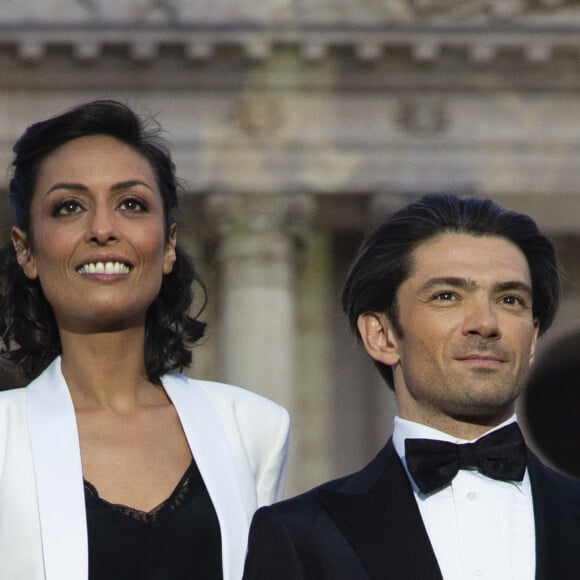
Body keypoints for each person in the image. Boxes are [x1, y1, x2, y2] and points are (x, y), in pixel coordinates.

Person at [0, 99, 289, 580]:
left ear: (169, 243)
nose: (102, 229)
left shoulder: (253, 428)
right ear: (26, 250)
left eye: (131, 204)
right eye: (69, 207)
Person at [243, 194, 580, 580]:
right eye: (447, 296)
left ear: (533, 338)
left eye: (510, 299)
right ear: (382, 335)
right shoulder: (301, 534)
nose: (486, 323)